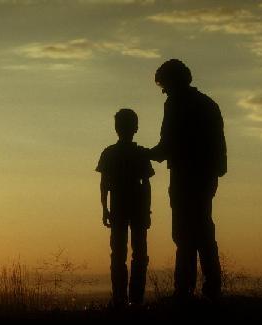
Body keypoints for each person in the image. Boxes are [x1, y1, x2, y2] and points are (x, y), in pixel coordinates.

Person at [149, 59, 227, 302]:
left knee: (184, 233)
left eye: (164, 85)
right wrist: (215, 171)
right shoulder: (208, 104)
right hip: (206, 176)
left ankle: (184, 290)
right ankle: (211, 288)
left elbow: (167, 145)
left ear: (172, 83)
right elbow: (220, 146)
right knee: (203, 230)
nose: (163, 90)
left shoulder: (175, 104)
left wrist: (143, 153)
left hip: (185, 175)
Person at [96, 108, 155, 307]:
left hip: (121, 207)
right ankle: (134, 299)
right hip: (134, 207)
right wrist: (147, 210)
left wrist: (105, 208)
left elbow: (104, 184)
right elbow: (146, 185)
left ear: (116, 128)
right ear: (135, 128)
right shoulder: (139, 153)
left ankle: (121, 299)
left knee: (119, 254)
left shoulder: (109, 153)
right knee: (137, 254)